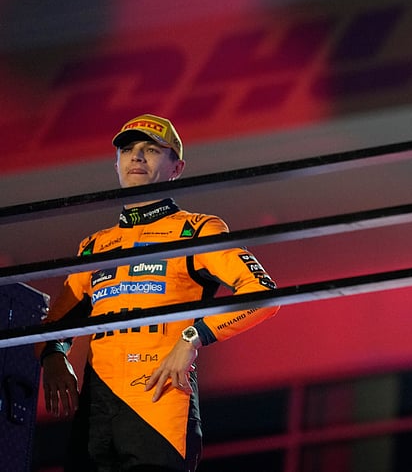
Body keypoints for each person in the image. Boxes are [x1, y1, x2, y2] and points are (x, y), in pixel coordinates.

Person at [35, 114, 279, 471]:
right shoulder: (94, 246)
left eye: (150, 150)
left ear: (176, 167)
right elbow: (53, 325)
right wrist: (54, 358)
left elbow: (263, 293)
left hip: (159, 407)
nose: (136, 157)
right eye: (128, 149)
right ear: (115, 163)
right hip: (94, 417)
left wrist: (192, 337)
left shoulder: (196, 230)